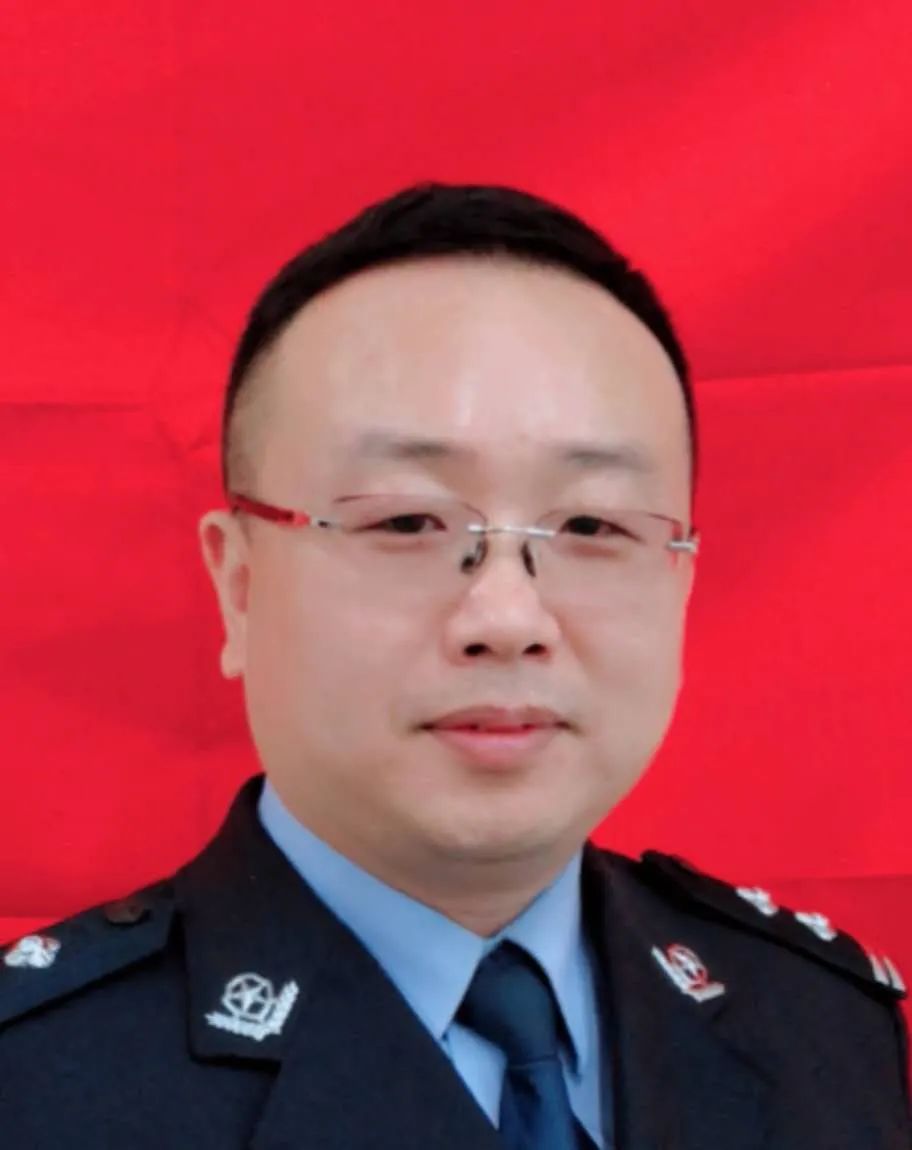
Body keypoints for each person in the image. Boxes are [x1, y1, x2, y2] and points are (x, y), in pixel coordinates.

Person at [1, 182, 908, 1148]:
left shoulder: (824, 1031)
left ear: (680, 580)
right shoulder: (38, 1087)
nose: (507, 619)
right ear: (240, 585)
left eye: (591, 525)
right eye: (407, 522)